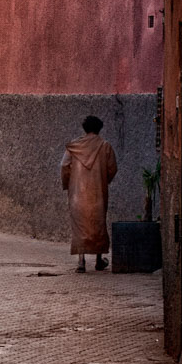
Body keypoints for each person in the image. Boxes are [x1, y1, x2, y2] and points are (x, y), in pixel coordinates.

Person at [61, 115, 118, 273]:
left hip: (77, 194)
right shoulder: (105, 146)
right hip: (98, 193)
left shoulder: (74, 147)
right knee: (98, 224)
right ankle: (99, 260)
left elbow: (64, 165)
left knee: (79, 226)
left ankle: (81, 262)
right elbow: (112, 168)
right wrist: (103, 180)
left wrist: (68, 184)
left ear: (84, 128)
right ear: (99, 128)